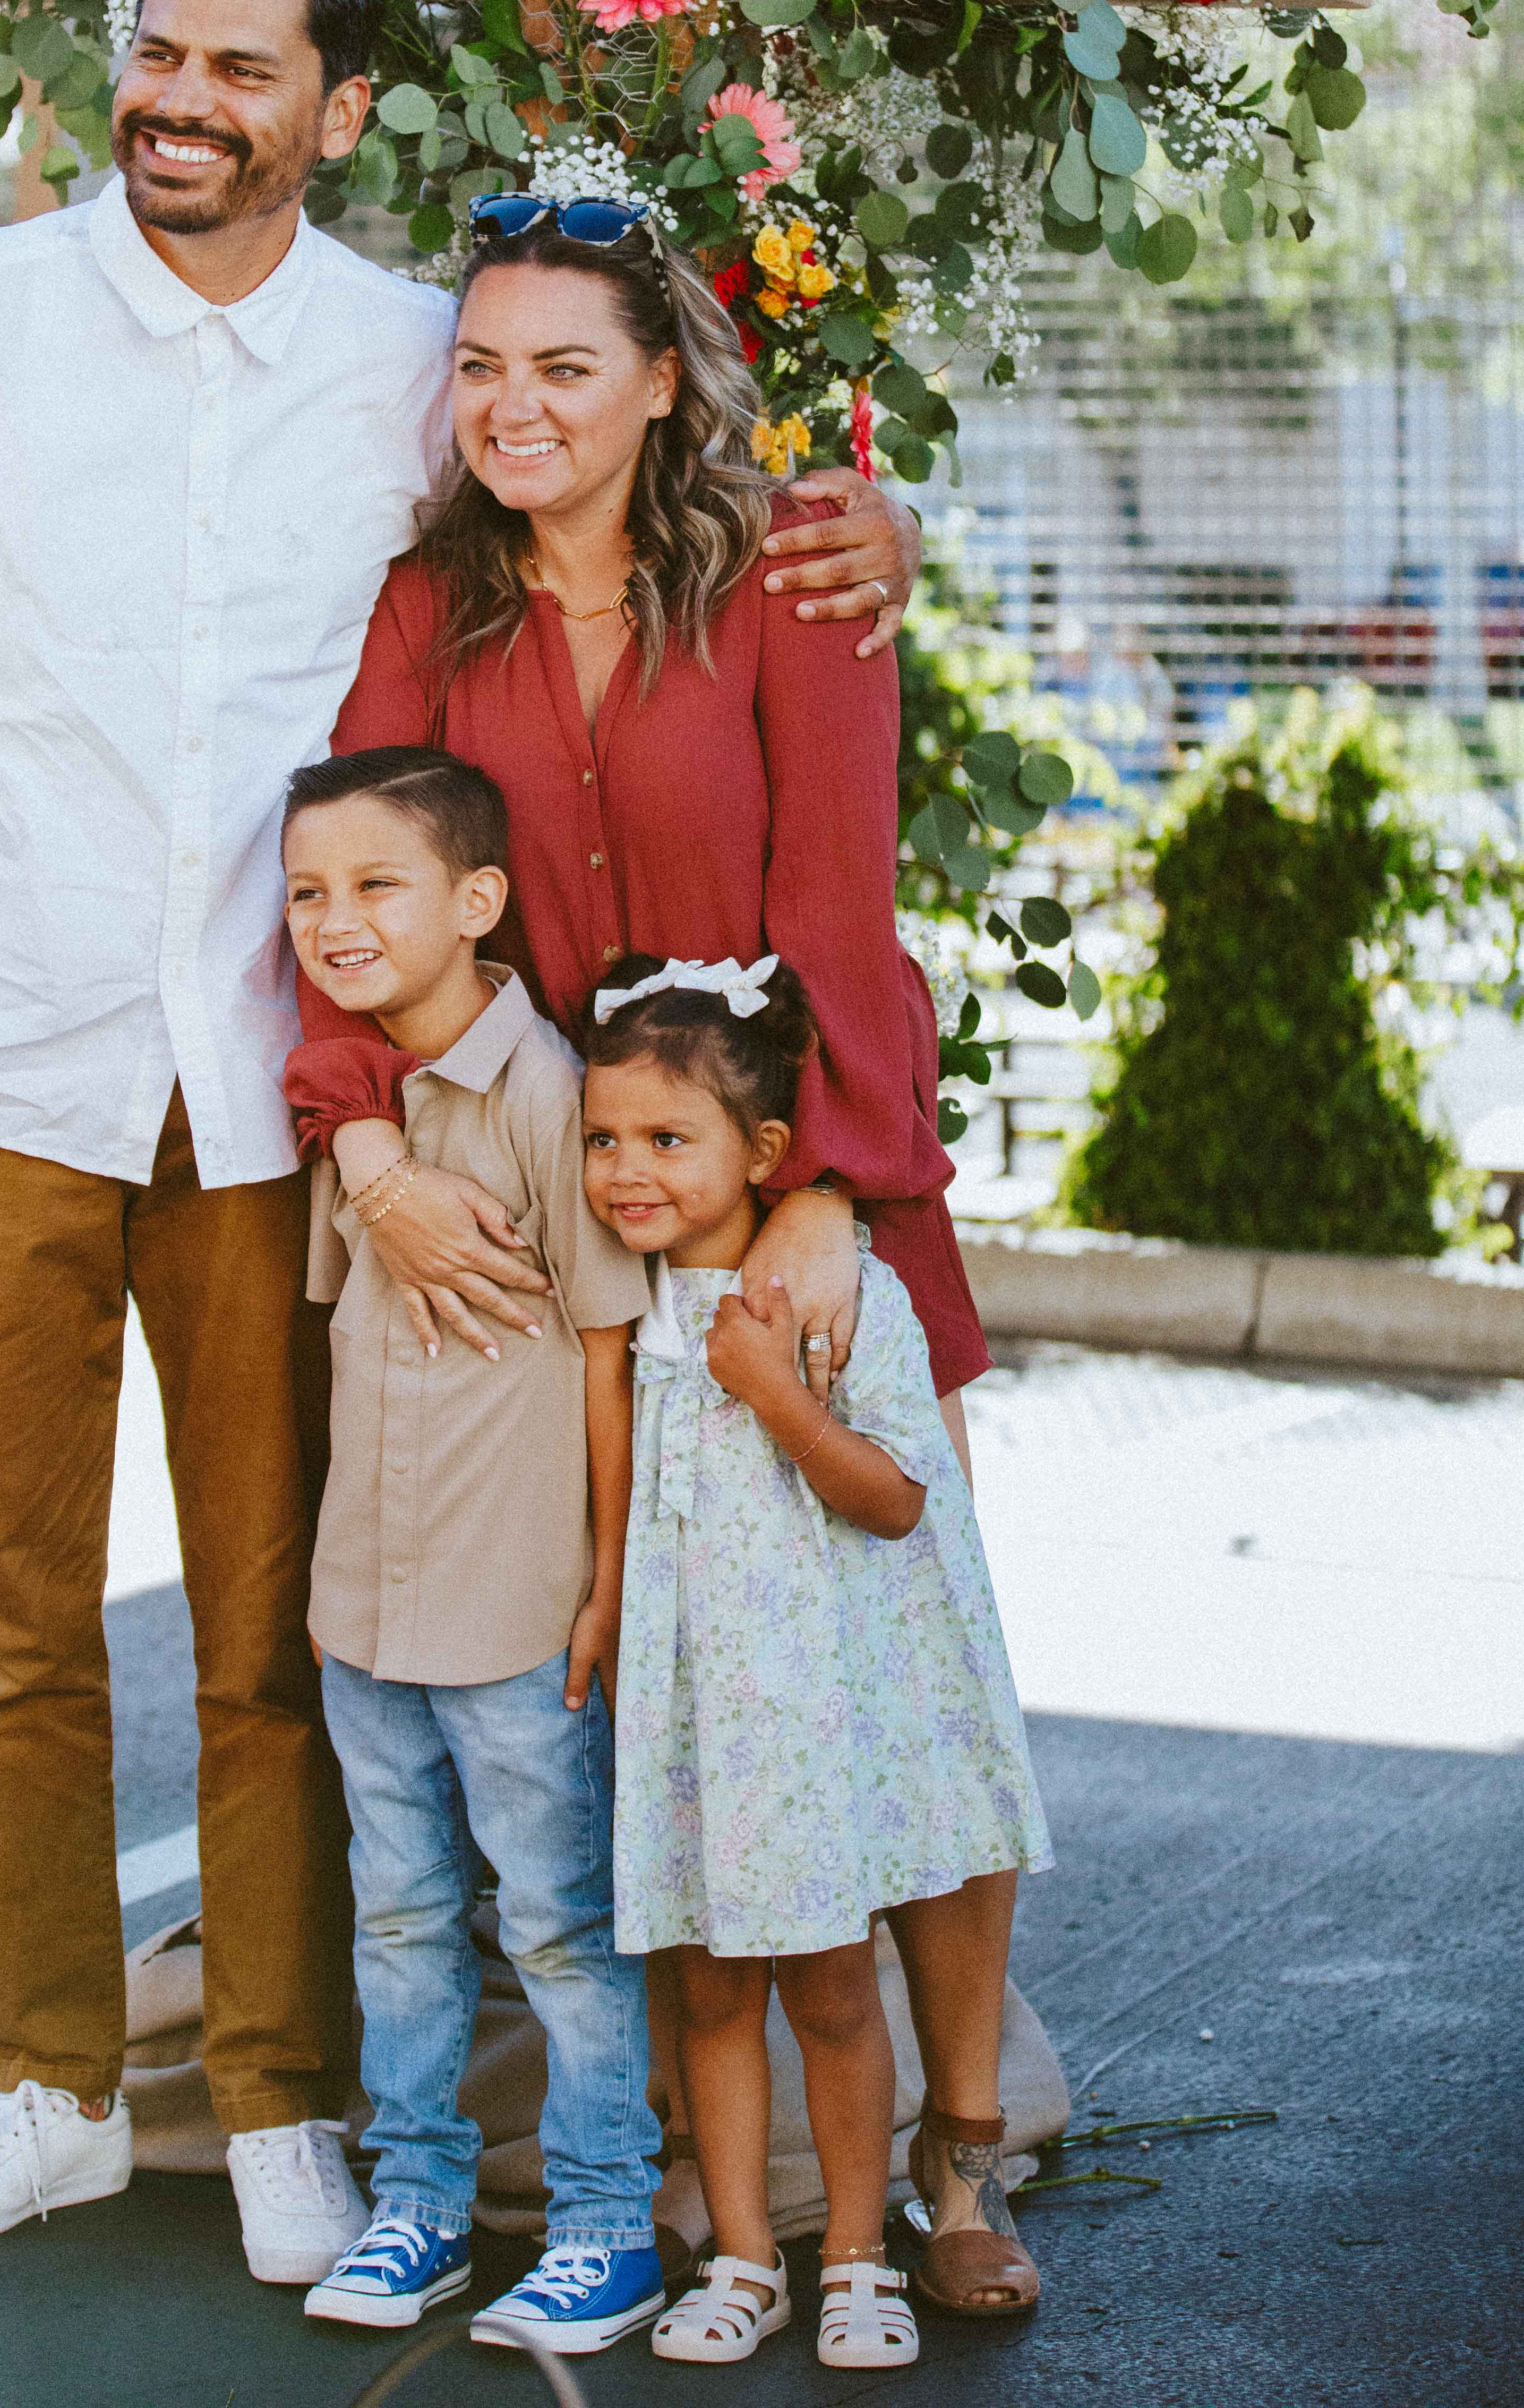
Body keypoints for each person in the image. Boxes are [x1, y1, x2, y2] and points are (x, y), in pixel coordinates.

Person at [0, 0, 920, 2277]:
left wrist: (873, 528)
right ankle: (45, 2083)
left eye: (245, 65)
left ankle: (280, 2104)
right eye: (162, 52)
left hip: (273, 1096)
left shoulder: (406, 363)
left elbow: (608, 486)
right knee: (15, 1618)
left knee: (281, 1629)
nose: (182, 99)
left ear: (337, 108)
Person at [286, 200, 1045, 2318]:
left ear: (655, 382)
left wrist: (836, 1187)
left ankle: (963, 2169)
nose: (513, 406)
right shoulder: (425, 611)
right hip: (563, 1233)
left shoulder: (798, 575)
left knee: (913, 1697)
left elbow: (840, 894)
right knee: (682, 1705)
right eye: (480, 368)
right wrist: (359, 1152)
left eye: (561, 367)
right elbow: (348, 872)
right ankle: (722, 2189)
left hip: (815, 1195)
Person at [582, 954, 1050, 2372]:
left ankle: (856, 2255)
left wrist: (779, 1398)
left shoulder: (843, 1305)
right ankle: (744, 2256)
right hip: (693, 1728)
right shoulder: (634, 1314)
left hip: (815, 1734)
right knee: (710, 1994)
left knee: (836, 1988)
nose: (626, 1170)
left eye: (668, 1140)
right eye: (603, 1139)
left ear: (765, 1155)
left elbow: (900, 1499)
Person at [278, 747, 662, 2355]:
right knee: (402, 1914)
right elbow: (332, 1326)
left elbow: (605, 1350)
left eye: (376, 886)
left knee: (561, 1925)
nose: (334, 921)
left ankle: (606, 2223)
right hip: (364, 1600)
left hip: (516, 1606)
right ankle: (419, 2206)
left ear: (479, 902)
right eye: (307, 893)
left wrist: (606, 1582)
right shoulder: (350, 1111)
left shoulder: (553, 1097)